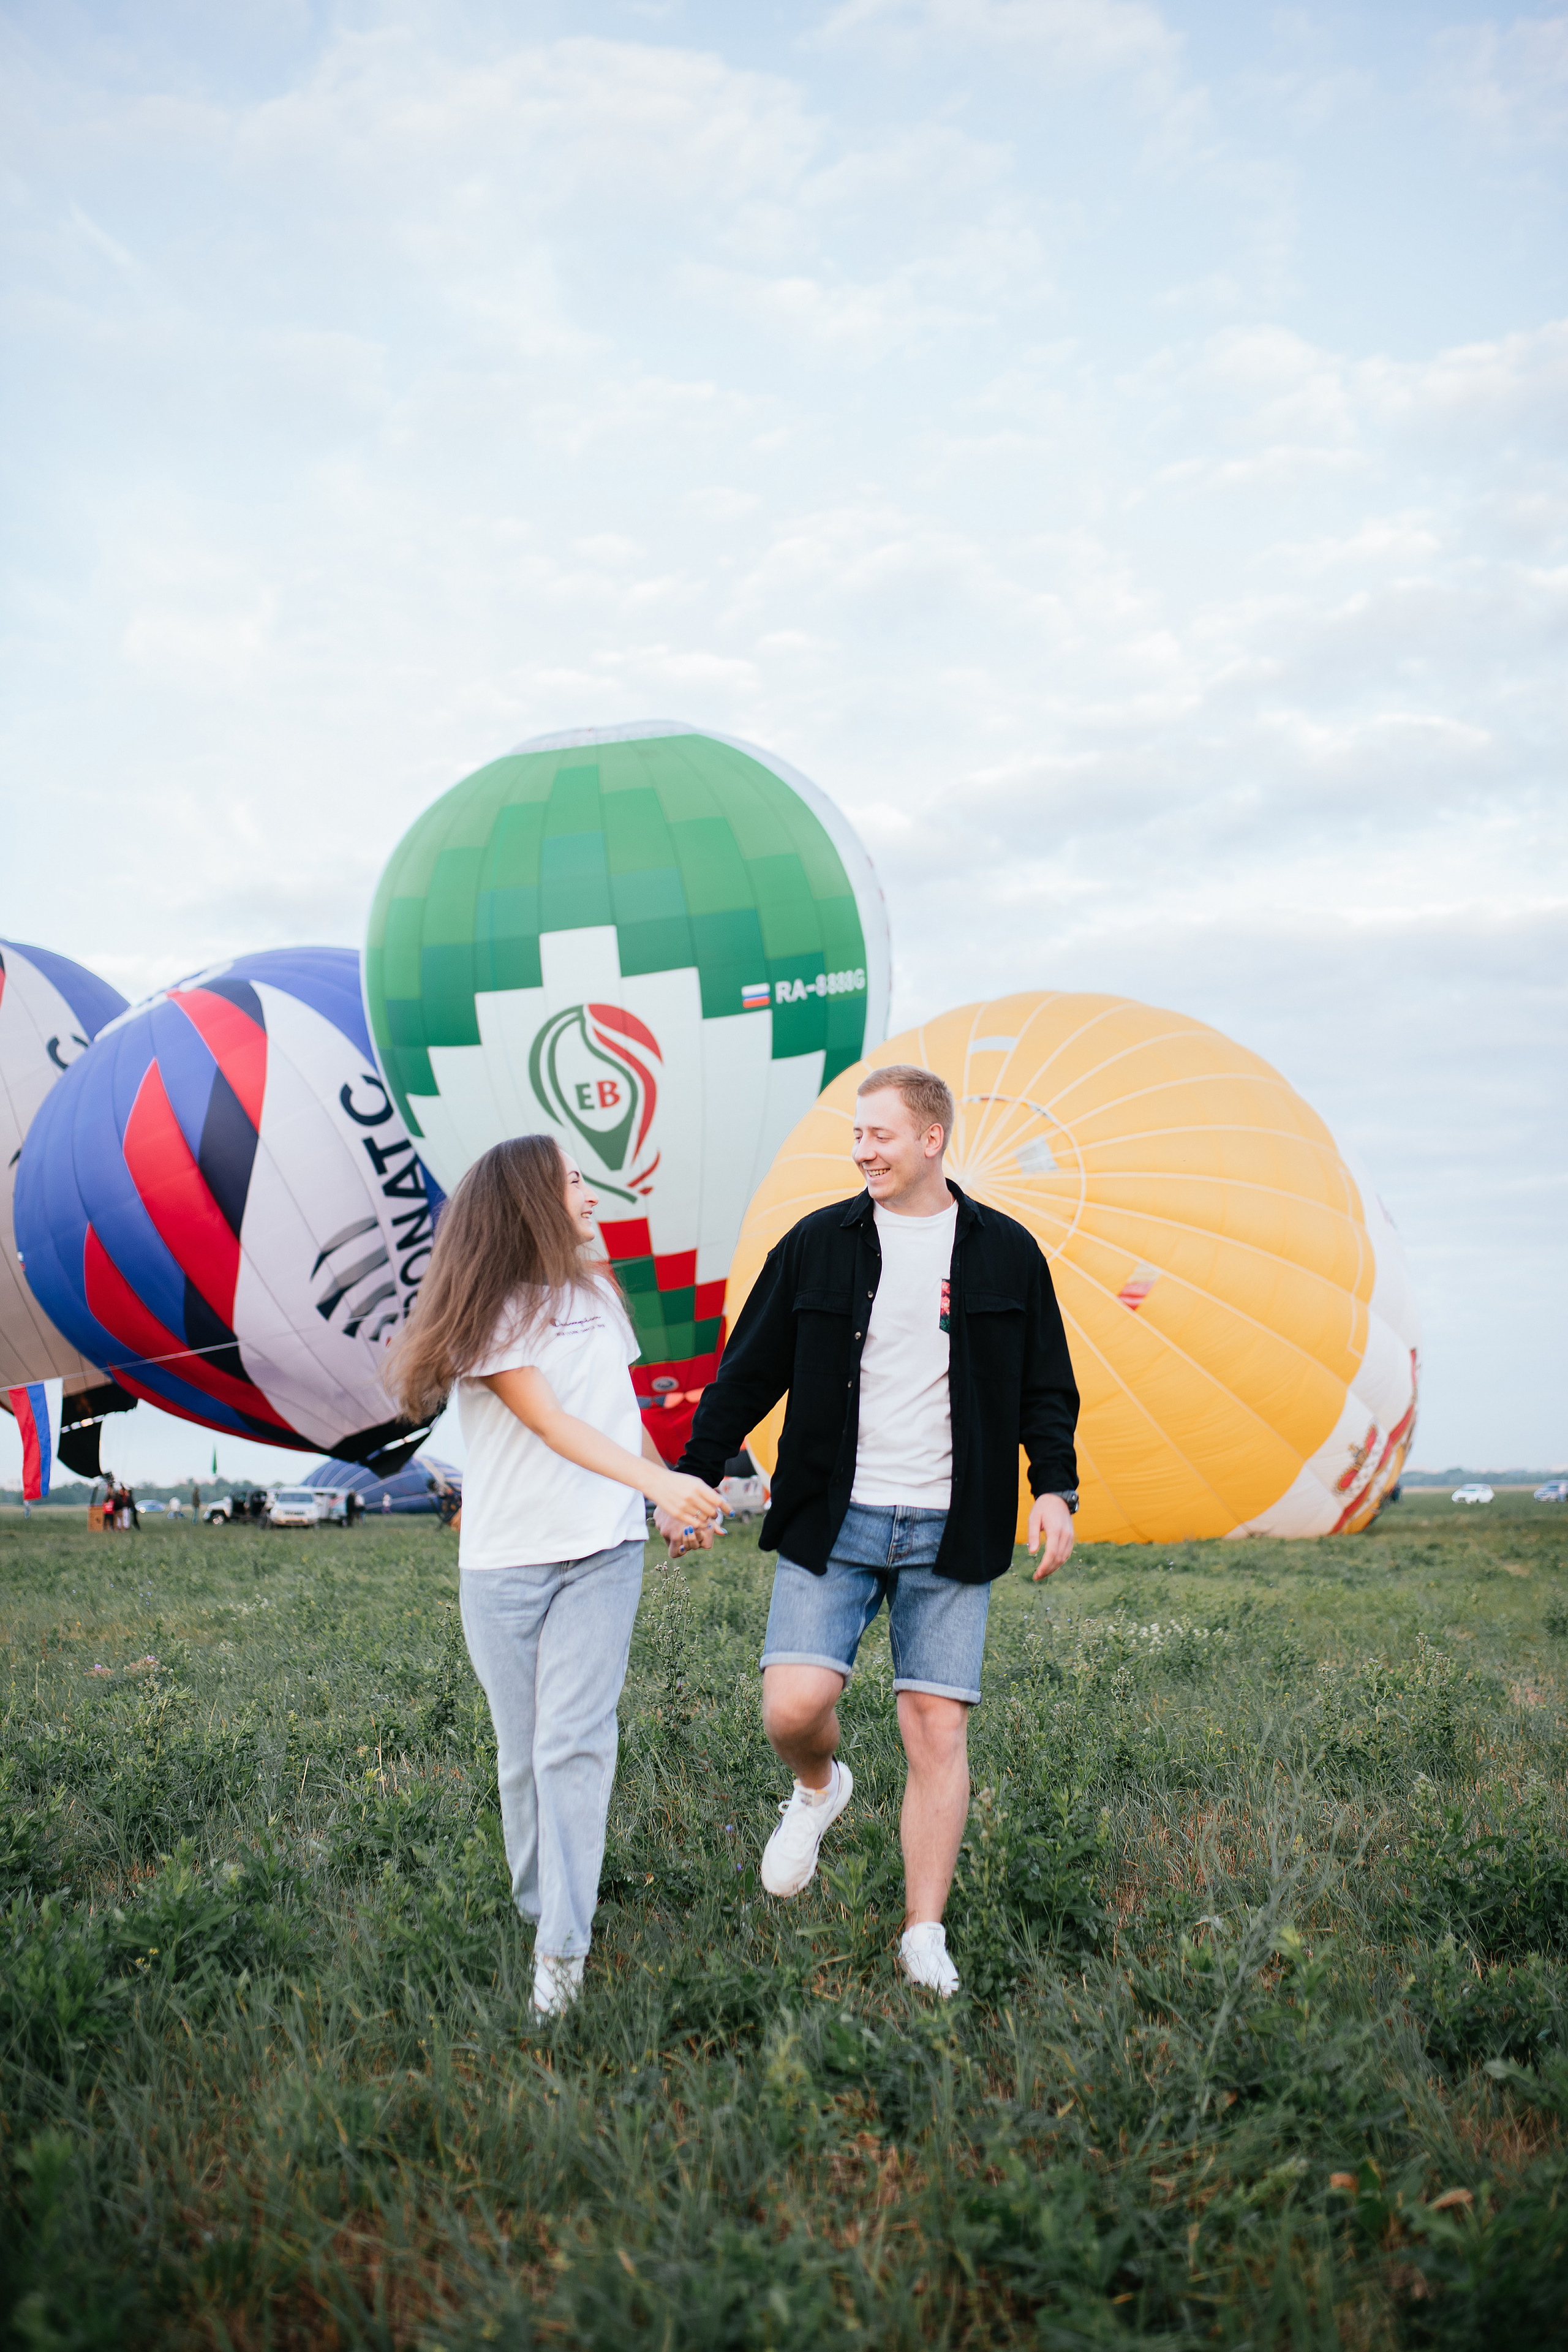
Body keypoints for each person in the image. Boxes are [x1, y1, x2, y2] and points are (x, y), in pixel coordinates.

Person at [665, 1065, 1079, 1999]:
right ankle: (819, 1788)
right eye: (856, 1136)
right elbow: (748, 1370)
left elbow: (1045, 1389)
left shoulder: (1008, 1254)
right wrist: (696, 1472)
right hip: (834, 1513)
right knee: (793, 1707)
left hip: (952, 1523)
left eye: (880, 1136)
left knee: (936, 1730)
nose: (862, 1150)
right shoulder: (818, 1244)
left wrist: (1054, 1488)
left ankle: (922, 1932)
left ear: (932, 1139)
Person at [390, 1133, 726, 2018]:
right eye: (574, 1180)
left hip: (602, 1552)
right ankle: (546, 1905)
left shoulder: (596, 1294)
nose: (590, 1191)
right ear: (532, 1199)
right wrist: (662, 1482)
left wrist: (658, 1497)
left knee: (573, 1743)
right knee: (522, 1756)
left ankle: (560, 1954)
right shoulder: (487, 1314)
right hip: (503, 1565)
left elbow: (611, 1418)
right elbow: (549, 1424)